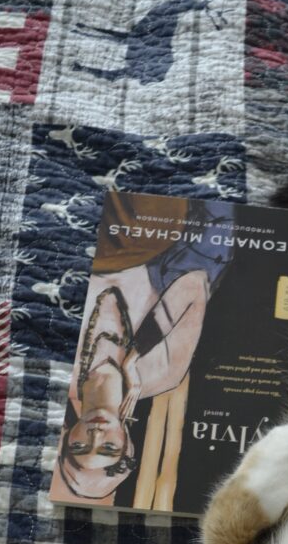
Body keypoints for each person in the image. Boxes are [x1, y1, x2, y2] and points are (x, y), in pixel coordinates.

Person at [53, 194, 231, 504]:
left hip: (111, 248)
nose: (96, 435)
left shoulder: (63, 373)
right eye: (109, 447)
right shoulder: (163, 376)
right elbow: (193, 283)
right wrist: (132, 359)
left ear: (68, 437)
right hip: (180, 254)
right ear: (127, 444)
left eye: (80, 446)